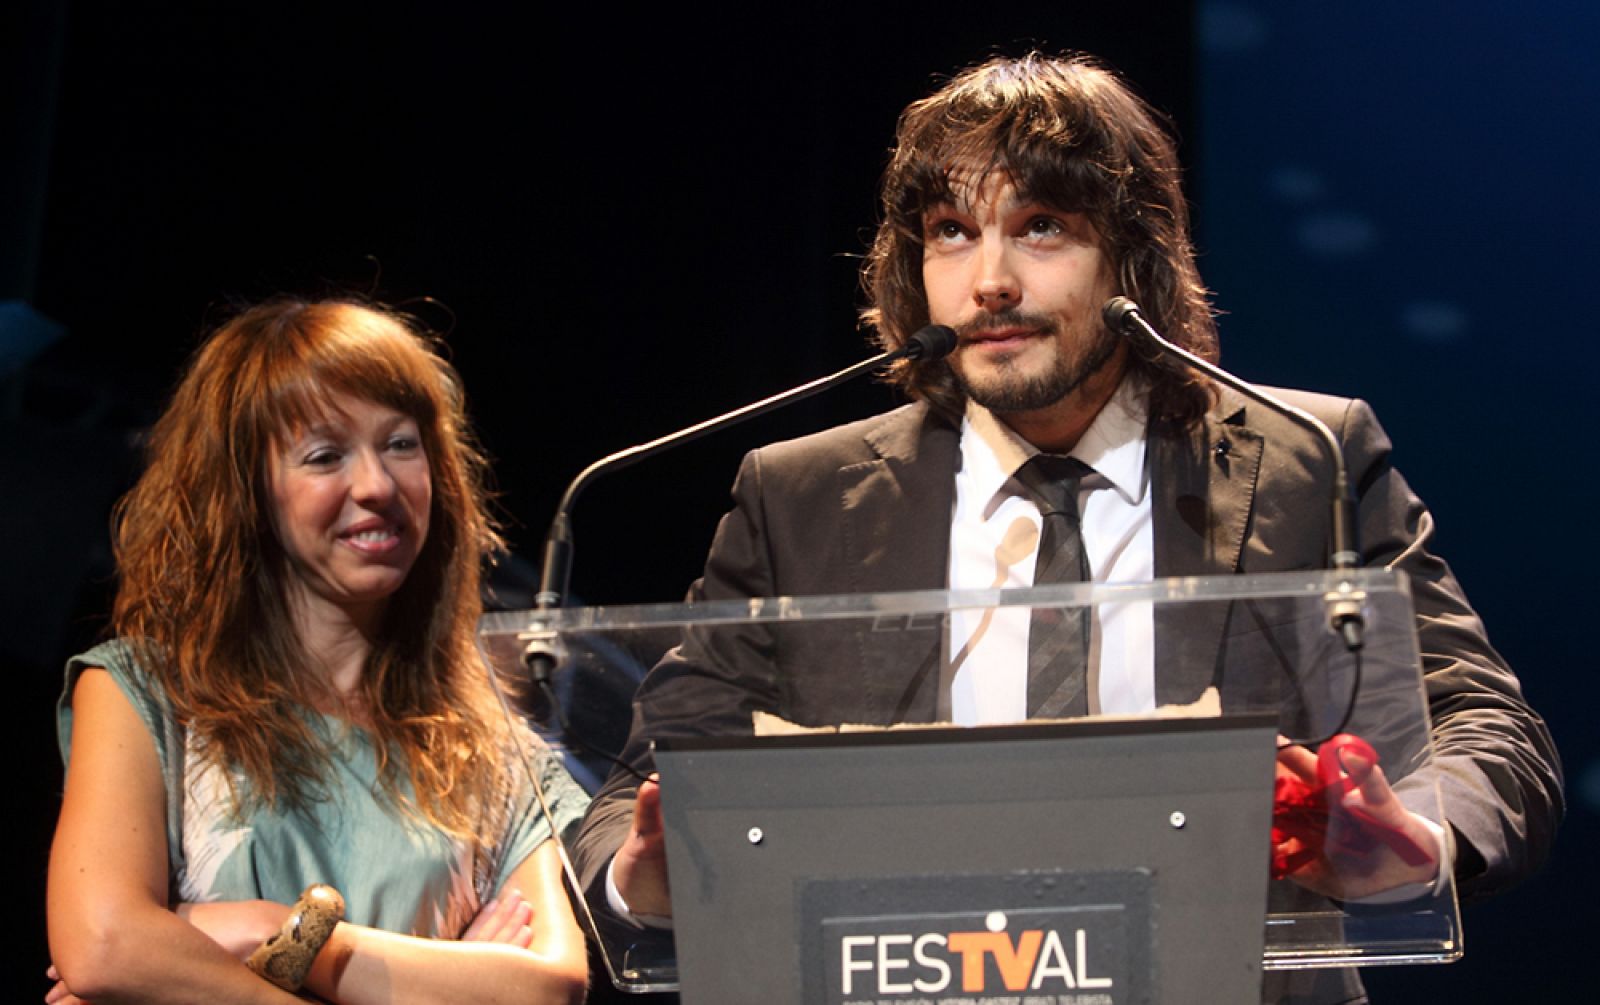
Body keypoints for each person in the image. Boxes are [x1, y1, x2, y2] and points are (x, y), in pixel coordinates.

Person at [571, 53, 1563, 1002]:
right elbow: (634, 800)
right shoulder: (802, 497)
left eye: (1040, 225)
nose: (989, 279)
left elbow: (1486, 732)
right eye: (951, 231)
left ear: (1133, 256)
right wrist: (646, 880)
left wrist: (1412, 838)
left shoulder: (1310, 460)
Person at [47, 299, 589, 1004]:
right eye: (325, 455)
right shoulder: (143, 692)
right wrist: (440, 980)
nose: (376, 486)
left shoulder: (496, 752)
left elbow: (548, 986)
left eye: (401, 444)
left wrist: (296, 939)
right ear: (246, 492)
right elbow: (106, 942)